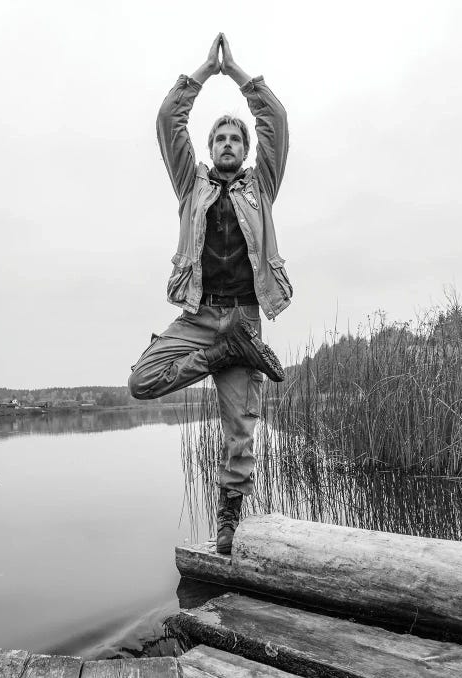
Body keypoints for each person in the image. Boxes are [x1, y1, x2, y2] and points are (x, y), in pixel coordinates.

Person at [128, 33, 292, 554]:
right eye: (219, 138)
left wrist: (238, 73)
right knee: (141, 381)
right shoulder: (190, 186)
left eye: (234, 140)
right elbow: (166, 122)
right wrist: (202, 72)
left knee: (238, 427)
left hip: (243, 315)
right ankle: (225, 353)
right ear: (208, 148)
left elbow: (276, 123)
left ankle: (229, 519)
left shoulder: (259, 187)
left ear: (244, 152)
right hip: (201, 317)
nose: (226, 144)